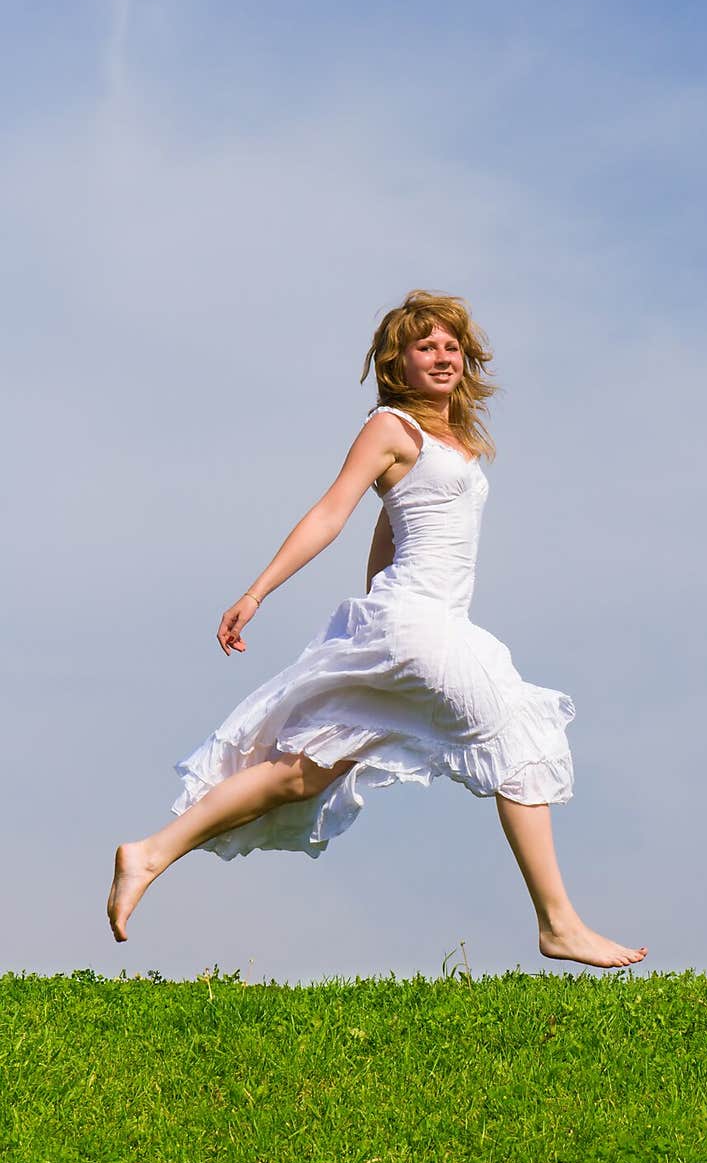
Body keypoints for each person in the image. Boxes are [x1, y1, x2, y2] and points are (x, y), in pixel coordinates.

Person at [107, 289, 647, 969]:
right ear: (400, 362)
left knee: (302, 775)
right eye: (427, 346)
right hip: (418, 622)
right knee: (518, 734)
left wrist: (377, 630)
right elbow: (331, 512)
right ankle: (559, 924)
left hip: (415, 625)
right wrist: (257, 591)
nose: (443, 355)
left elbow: (386, 530)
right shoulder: (392, 428)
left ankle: (149, 853)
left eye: (451, 345)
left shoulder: (455, 440)